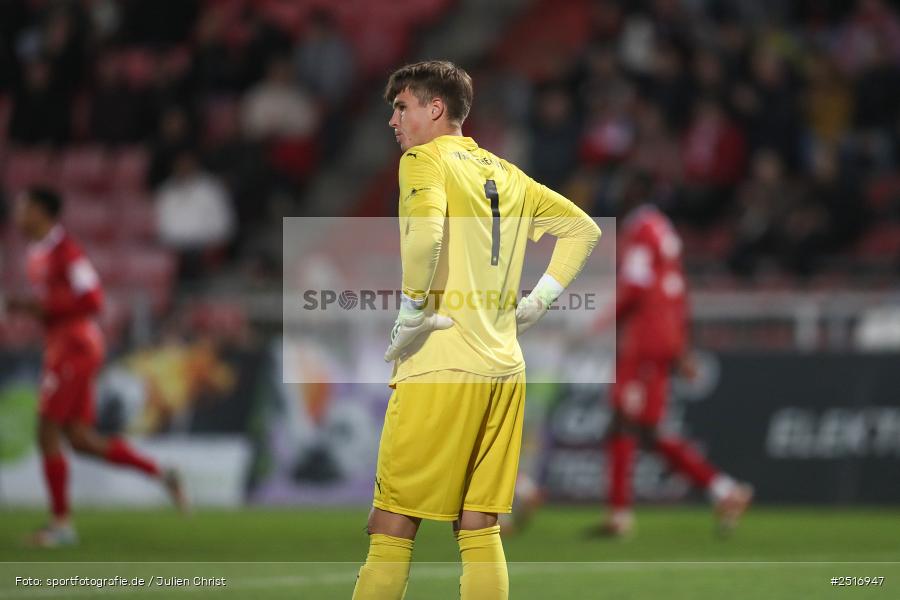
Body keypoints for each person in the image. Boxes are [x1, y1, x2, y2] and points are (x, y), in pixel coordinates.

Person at [352, 61, 601, 600]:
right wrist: (540, 301)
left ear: (434, 109)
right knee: (479, 527)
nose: (393, 120)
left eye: (402, 107)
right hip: (504, 369)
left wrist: (412, 311)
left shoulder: (423, 160)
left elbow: (427, 239)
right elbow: (582, 229)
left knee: (391, 523)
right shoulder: (508, 174)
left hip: (441, 363)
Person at [5, 187, 187, 547]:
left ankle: (61, 525)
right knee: (81, 440)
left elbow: (93, 298)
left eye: (24, 208)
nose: (18, 214)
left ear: (42, 212)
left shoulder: (66, 252)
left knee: (46, 431)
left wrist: (34, 308)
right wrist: (34, 308)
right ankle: (163, 474)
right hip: (61, 346)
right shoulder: (36, 252)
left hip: (75, 347)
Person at [596, 172, 752, 537]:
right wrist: (680, 346)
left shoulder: (641, 229)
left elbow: (635, 286)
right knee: (644, 427)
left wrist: (599, 322)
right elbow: (677, 291)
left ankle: (620, 516)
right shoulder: (664, 230)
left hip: (644, 339)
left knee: (624, 419)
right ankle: (724, 491)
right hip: (662, 335)